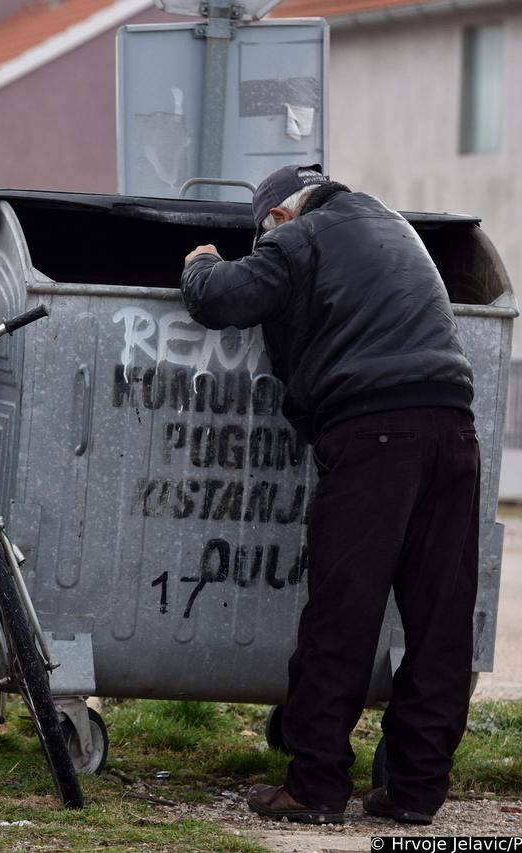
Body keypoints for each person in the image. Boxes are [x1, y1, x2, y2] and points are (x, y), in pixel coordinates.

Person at [179, 165, 480, 826]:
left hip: (375, 436)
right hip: (454, 430)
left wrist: (200, 262)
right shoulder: (395, 227)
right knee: (439, 621)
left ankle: (313, 786)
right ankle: (414, 790)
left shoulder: (296, 239)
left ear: (281, 216)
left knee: (342, 612)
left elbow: (221, 300)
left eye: (262, 234)